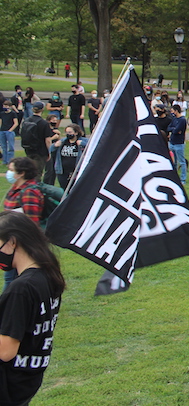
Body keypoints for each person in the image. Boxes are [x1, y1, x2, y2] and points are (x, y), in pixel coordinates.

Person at [0, 211, 66, 405]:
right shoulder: (48, 275)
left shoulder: (21, 289)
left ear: (12, 242)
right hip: (27, 379)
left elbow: (5, 351)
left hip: (8, 385)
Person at [4, 158, 43, 225]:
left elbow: (32, 223)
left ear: (22, 173)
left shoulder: (29, 193)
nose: (8, 173)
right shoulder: (15, 188)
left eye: (11, 170)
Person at [18, 102, 53, 179]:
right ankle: (34, 188)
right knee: (37, 172)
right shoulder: (44, 123)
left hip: (29, 149)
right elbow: (47, 140)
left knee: (29, 170)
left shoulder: (26, 121)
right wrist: (49, 152)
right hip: (40, 151)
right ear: (42, 109)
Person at [50, 124, 87, 188]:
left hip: (76, 171)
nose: (68, 134)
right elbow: (50, 150)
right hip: (62, 171)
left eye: (70, 132)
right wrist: (55, 145)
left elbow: (93, 147)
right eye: (66, 132)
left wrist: (82, 144)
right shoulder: (63, 141)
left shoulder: (83, 141)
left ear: (76, 133)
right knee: (64, 189)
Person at [167, 104, 188, 185]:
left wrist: (174, 130)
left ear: (176, 111)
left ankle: (183, 179)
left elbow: (177, 130)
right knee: (174, 161)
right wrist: (174, 129)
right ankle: (174, 177)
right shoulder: (174, 119)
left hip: (179, 143)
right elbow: (169, 128)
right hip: (172, 142)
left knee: (181, 162)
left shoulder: (182, 120)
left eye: (173, 111)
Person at [0, 99, 17, 166]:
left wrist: (10, 130)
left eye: (7, 106)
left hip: (9, 131)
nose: (5, 107)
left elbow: (16, 123)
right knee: (4, 147)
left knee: (11, 147)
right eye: (4, 105)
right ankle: (5, 161)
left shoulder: (13, 113)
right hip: (2, 131)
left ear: (10, 106)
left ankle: (10, 161)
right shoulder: (1, 114)